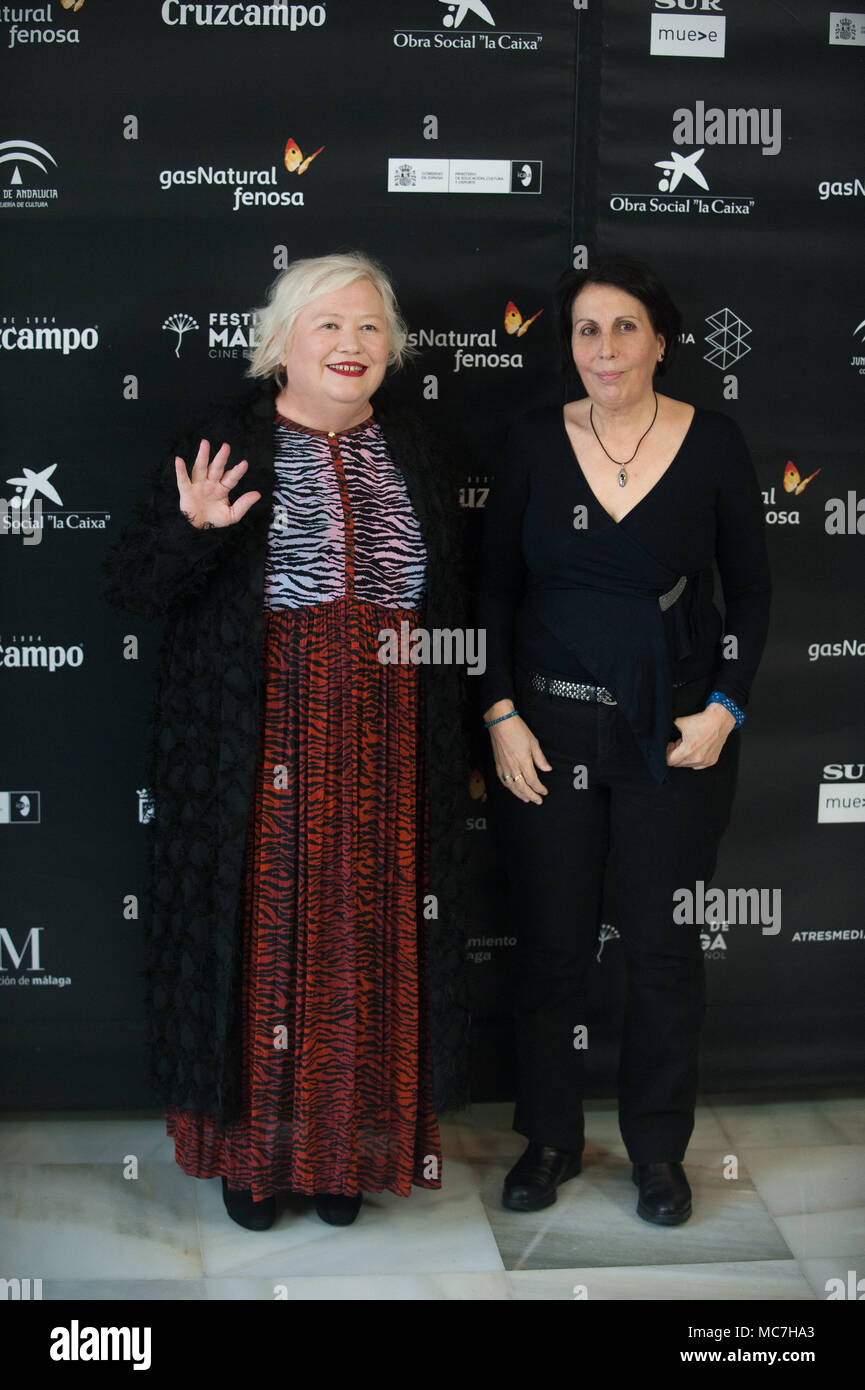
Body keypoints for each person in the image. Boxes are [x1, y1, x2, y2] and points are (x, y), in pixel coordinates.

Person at [103, 251, 469, 1231]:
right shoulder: (224, 441)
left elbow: (452, 614)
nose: (350, 345)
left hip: (388, 754)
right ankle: (257, 1161)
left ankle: (344, 1153)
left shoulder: (421, 453)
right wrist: (193, 530)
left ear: (390, 349)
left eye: (368, 327)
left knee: (366, 946)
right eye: (328, 325)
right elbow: (134, 587)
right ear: (282, 343)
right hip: (256, 752)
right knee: (265, 948)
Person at [475, 254, 770, 1225]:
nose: (604, 347)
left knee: (660, 953)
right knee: (554, 952)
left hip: (671, 738)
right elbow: (493, 597)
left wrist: (724, 708)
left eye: (624, 327)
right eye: (585, 330)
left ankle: (656, 1152)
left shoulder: (714, 442)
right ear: (568, 347)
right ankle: (551, 1140)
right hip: (546, 735)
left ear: (660, 340)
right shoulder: (528, 443)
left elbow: (752, 592)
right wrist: (501, 717)